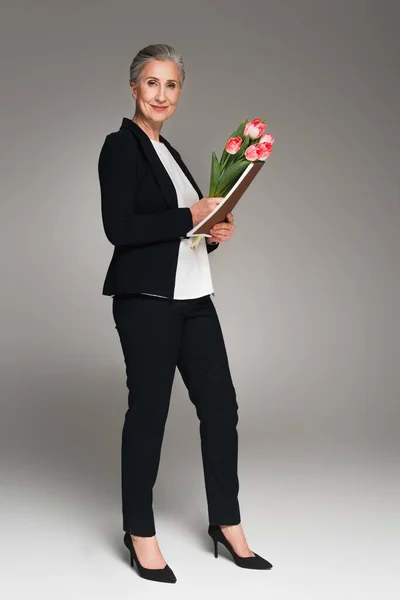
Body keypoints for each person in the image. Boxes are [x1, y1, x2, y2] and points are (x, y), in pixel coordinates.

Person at [98, 43, 273, 583]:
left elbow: (186, 232)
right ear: (134, 88)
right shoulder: (120, 147)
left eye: (171, 85)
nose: (161, 94)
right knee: (149, 414)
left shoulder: (170, 151)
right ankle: (139, 531)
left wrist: (213, 230)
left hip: (195, 297)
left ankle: (226, 521)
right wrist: (187, 215)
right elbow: (120, 229)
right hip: (147, 303)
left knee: (221, 408)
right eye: (152, 83)